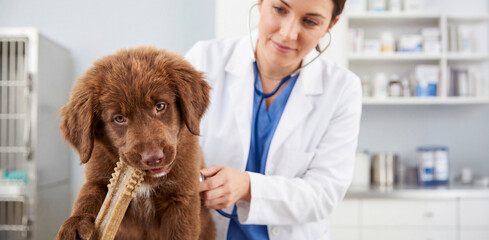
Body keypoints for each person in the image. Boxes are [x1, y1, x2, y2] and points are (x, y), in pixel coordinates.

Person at [185, 0, 361, 239]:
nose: (288, 34)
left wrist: (247, 186)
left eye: (310, 21)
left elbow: (323, 193)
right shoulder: (204, 59)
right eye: (279, 9)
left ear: (331, 25)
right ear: (260, 3)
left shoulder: (341, 88)